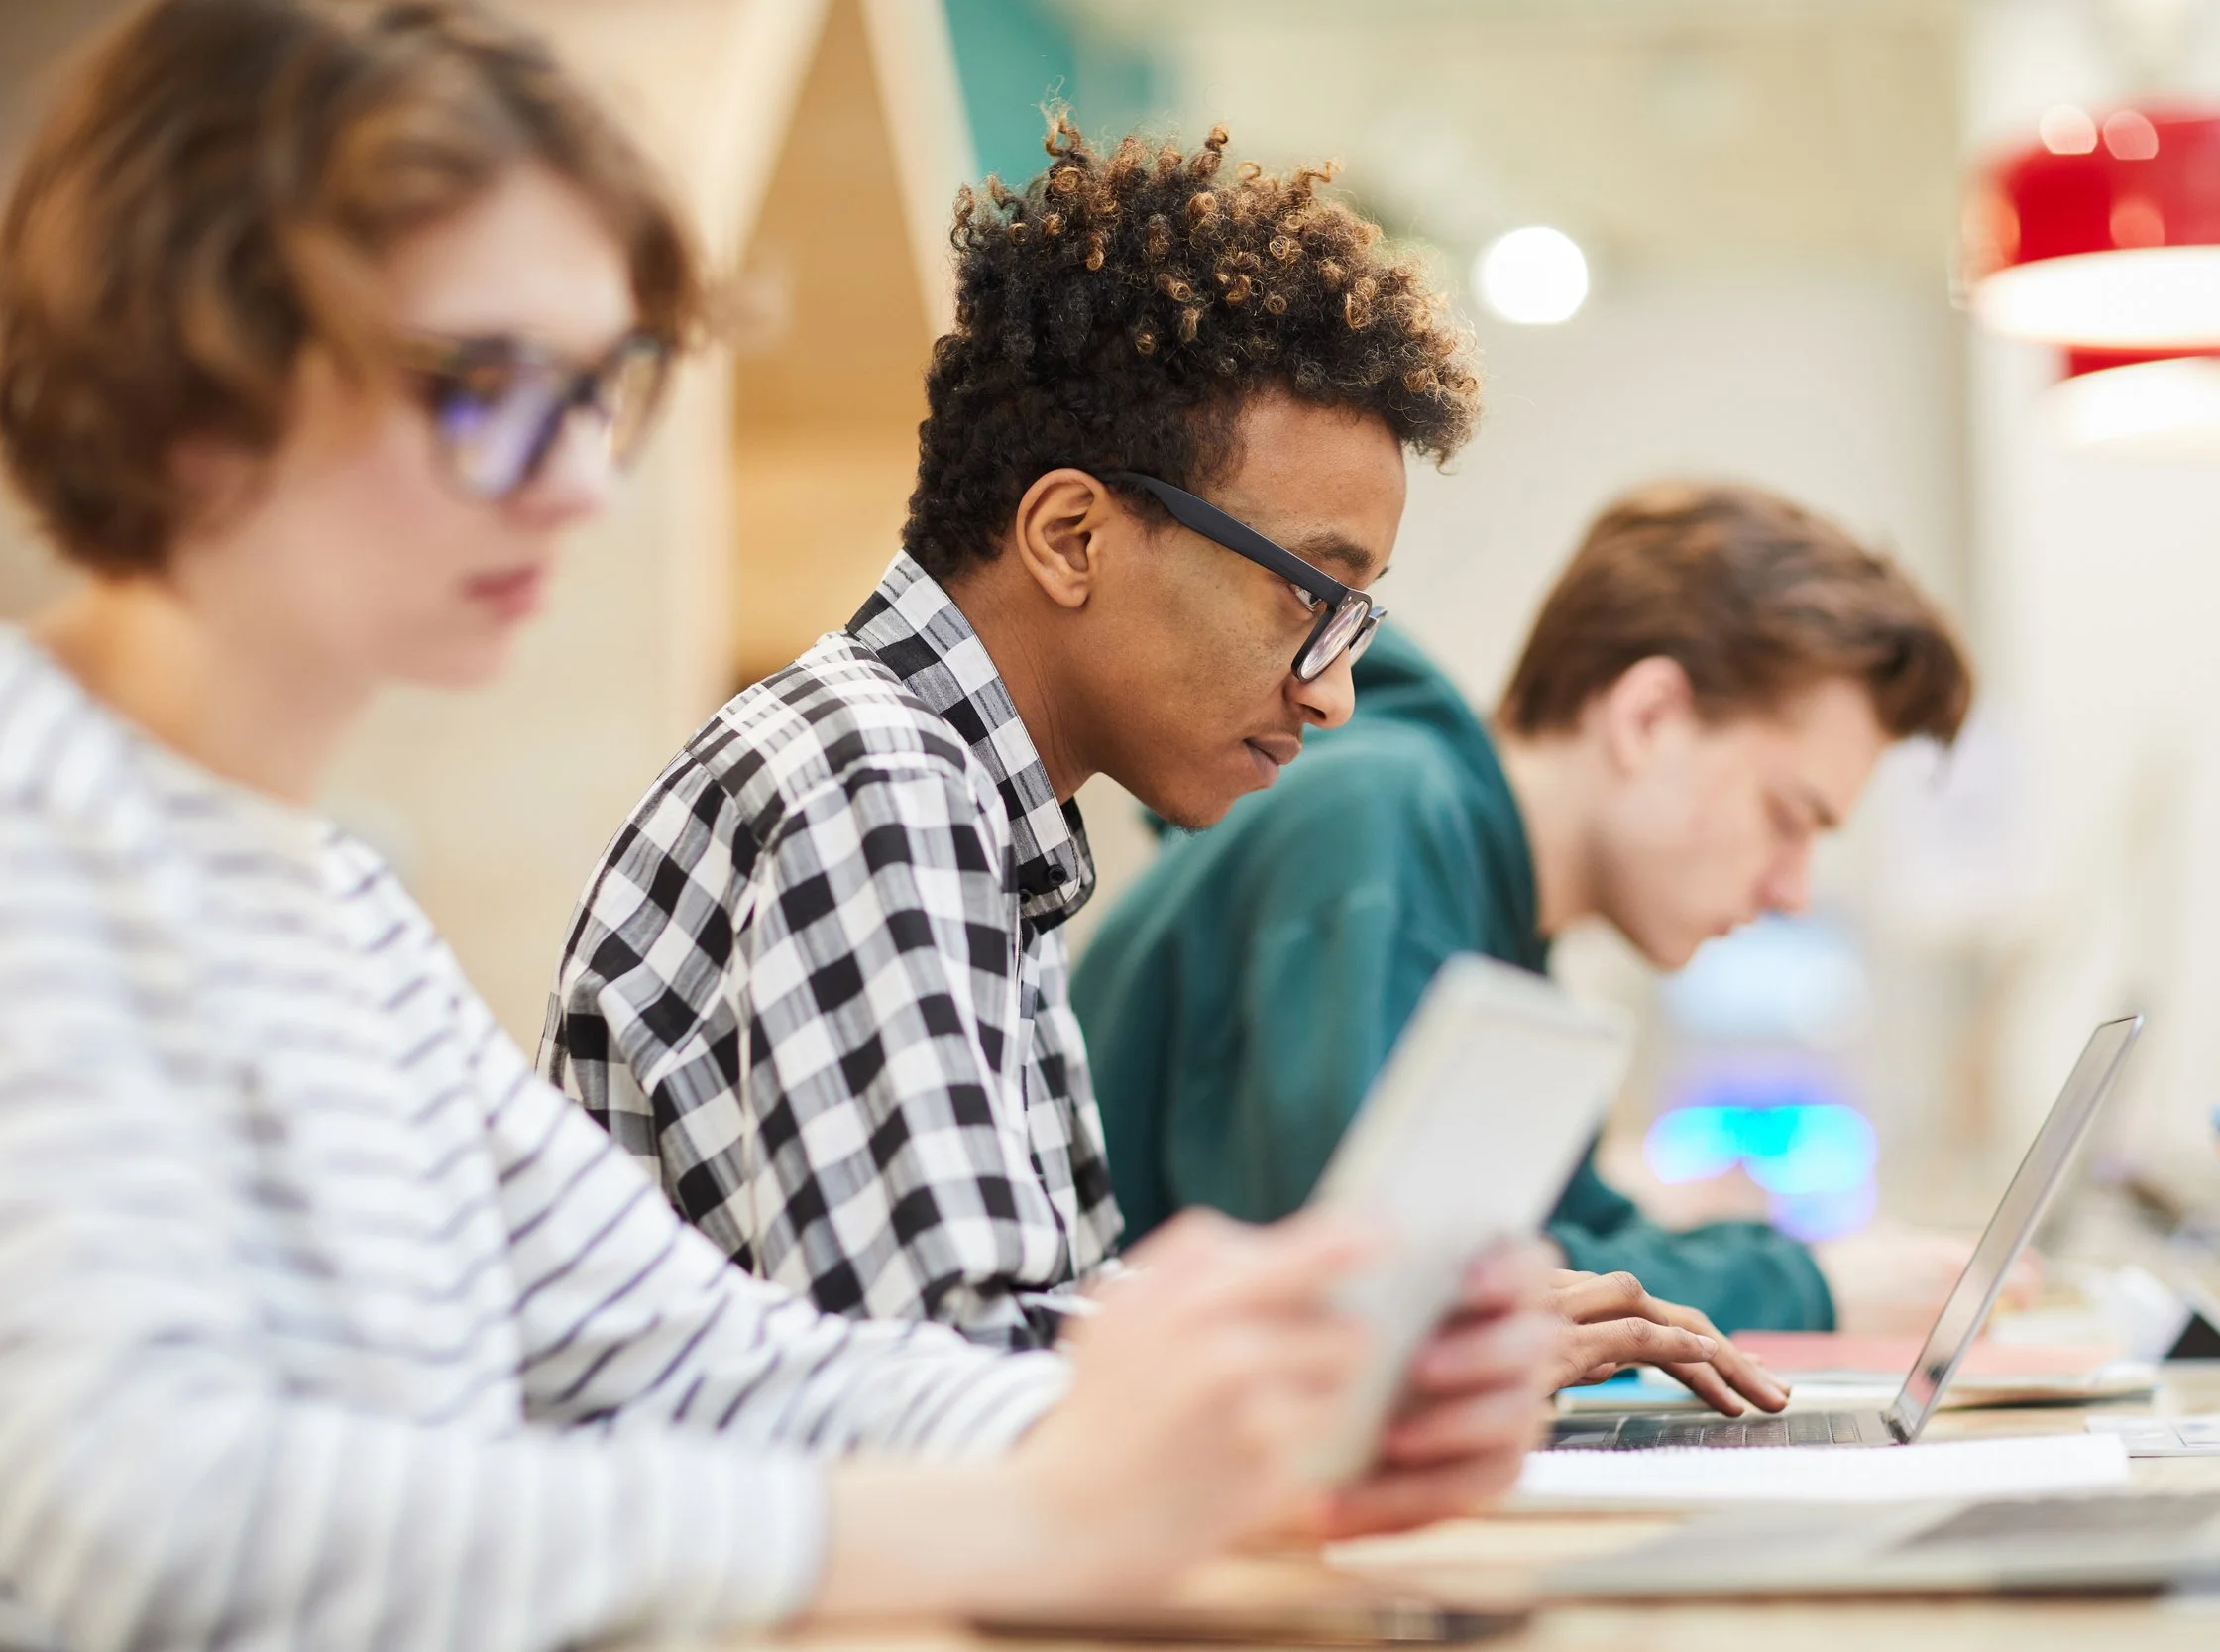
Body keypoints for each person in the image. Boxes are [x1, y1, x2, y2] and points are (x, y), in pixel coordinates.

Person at [0, 5, 1560, 1647]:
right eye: (487, 388)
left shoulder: (335, 908)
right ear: (194, 373)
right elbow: (148, 1515)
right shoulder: (38, 835)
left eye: (607, 392)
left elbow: (703, 1357)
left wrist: (1244, 1426)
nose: (583, 483)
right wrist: (1022, 1497)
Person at [534, 108, 1766, 1403]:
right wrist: (1362, 1355)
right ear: (1072, 535)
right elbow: (952, 1383)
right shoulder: (878, 778)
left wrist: (1391, 1324)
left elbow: (1024, 1308)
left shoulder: (964, 801)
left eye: (1357, 618)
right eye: (1310, 596)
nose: (1338, 692)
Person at [1072, 482, 1991, 1359]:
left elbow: (1565, 1240)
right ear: (1650, 717)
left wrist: (1807, 1267)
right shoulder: (1378, 820)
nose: (1793, 889)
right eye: (1788, 818)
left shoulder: (1491, 920)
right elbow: (1376, 1297)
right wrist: (1809, 1287)